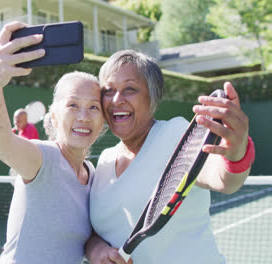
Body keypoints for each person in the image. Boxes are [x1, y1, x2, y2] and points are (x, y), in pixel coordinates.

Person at [85, 50, 255, 264]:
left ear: (152, 96)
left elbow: (223, 179)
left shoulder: (176, 135)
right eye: (108, 91)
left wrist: (236, 152)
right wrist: (97, 250)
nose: (117, 99)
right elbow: (95, 232)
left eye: (130, 89)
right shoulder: (105, 160)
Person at [0, 21, 105, 264]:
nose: (83, 116)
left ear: (103, 121)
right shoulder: (43, 158)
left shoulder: (92, 174)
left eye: (94, 107)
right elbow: (1, 143)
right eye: (73, 105)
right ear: (54, 115)